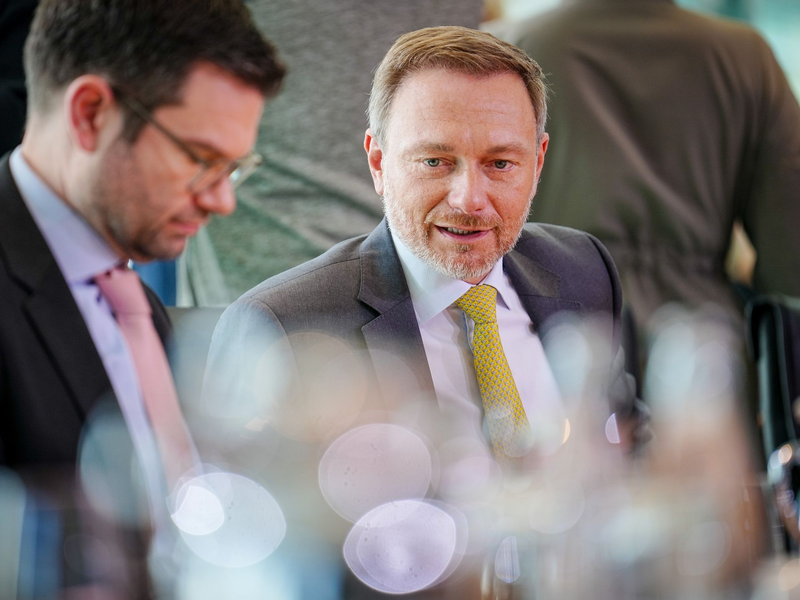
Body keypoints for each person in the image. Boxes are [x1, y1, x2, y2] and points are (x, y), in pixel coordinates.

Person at [206, 25, 645, 466]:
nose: (470, 199)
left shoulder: (584, 270)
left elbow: (625, 446)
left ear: (538, 161)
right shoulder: (281, 327)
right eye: (435, 161)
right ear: (378, 162)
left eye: (500, 163)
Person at [0, 1, 284, 588]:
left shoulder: (135, 304)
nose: (222, 201)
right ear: (90, 114)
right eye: (201, 159)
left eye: (234, 168)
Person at [504, 0, 800, 372]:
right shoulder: (746, 58)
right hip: (704, 359)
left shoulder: (509, 50)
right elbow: (791, 260)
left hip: (553, 346)